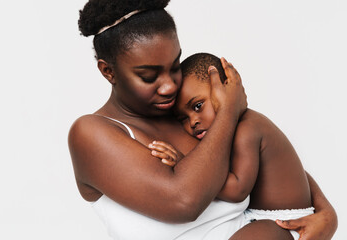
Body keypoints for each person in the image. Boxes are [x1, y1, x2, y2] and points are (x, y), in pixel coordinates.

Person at [68, 0, 337, 239]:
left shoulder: (185, 113)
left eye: (174, 66)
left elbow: (267, 159)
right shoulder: (91, 133)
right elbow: (184, 201)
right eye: (149, 76)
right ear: (108, 71)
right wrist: (229, 112)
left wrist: (325, 212)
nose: (169, 87)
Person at [149, 53, 325, 239]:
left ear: (226, 89)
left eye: (198, 106)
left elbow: (237, 190)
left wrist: (184, 164)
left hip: (286, 223)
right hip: (256, 219)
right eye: (183, 118)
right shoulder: (228, 132)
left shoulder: (247, 129)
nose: (193, 121)